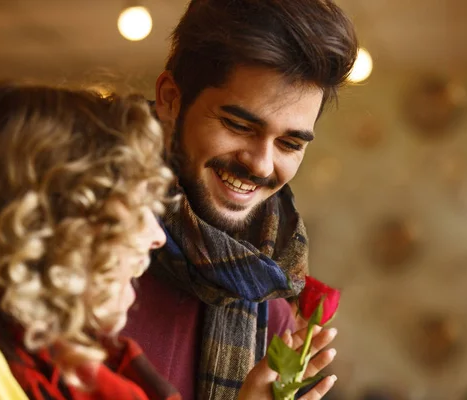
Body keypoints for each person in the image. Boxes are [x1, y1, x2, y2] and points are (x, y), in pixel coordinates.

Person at [0, 82, 337, 400]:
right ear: (44, 223)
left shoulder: (72, 364)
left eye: (290, 143)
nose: (154, 236)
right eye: (134, 210)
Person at [121, 0, 358, 399]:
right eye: (238, 124)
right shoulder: (78, 251)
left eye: (289, 143)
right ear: (170, 100)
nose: (262, 165)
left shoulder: (277, 311)